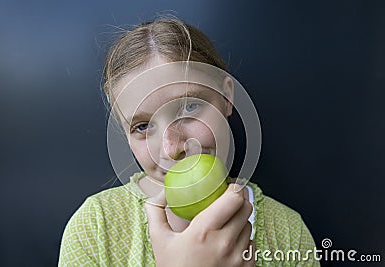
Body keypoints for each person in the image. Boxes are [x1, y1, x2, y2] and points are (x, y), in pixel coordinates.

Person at [58, 17, 320, 267]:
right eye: (142, 126)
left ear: (226, 96)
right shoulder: (95, 227)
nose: (172, 149)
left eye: (189, 107)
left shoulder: (287, 233)